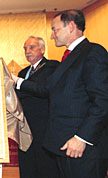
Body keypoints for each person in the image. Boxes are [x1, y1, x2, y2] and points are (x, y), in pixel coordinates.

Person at [13, 9, 108, 178]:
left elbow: (102, 101)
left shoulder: (93, 52)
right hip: (64, 146)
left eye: (55, 29)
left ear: (71, 26)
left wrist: (82, 138)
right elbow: (49, 90)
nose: (52, 35)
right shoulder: (69, 57)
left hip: (82, 148)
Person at [16, 36, 60, 178]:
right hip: (25, 127)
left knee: (45, 166)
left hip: (44, 127)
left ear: (42, 49)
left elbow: (42, 89)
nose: (27, 51)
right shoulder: (23, 72)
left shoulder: (52, 66)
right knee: (28, 165)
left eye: (32, 47)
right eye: (25, 48)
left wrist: (19, 83)